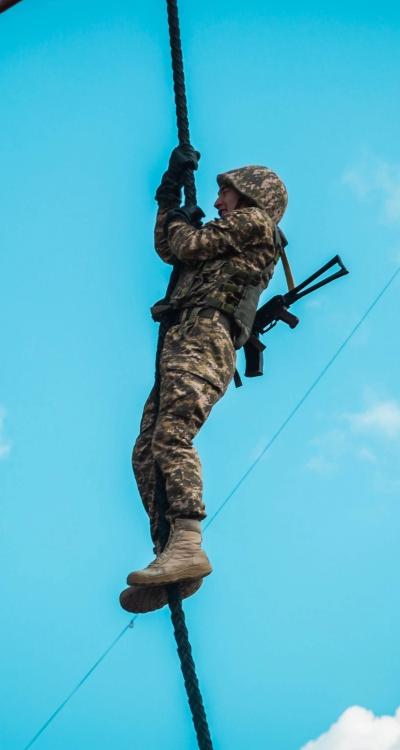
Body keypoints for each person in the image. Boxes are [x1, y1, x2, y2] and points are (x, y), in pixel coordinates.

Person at [121, 147, 288, 614]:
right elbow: (170, 248)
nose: (217, 202)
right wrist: (168, 198)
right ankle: (170, 552)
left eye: (224, 192)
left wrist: (180, 221)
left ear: (251, 195)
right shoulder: (227, 232)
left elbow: (186, 246)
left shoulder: (256, 224)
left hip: (206, 335)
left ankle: (188, 542)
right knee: (145, 449)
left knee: (172, 435)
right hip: (186, 333)